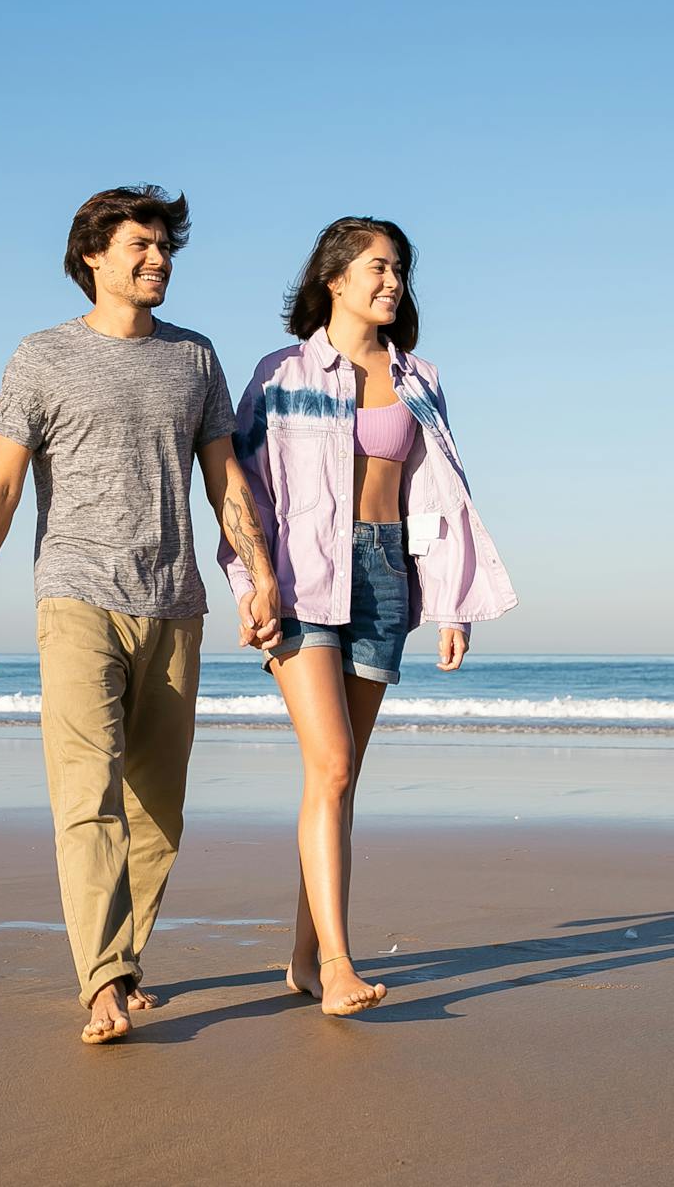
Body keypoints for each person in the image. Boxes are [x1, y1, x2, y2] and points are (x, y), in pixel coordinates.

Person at [0, 185, 281, 1045]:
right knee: (87, 795)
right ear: (93, 254)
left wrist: (260, 576)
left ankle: (123, 961)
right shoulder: (42, 358)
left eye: (165, 245)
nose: (158, 257)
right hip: (77, 598)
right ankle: (102, 981)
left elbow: (225, 483)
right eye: (140, 243)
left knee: (158, 808)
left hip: (175, 602)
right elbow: (3, 485)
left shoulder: (195, 359)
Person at [221, 216, 517, 1016]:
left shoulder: (418, 376)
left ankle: (304, 956)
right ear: (336, 279)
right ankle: (341, 966)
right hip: (300, 579)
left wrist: (452, 602)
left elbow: (441, 495)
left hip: (386, 572)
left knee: (340, 782)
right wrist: (253, 581)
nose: (393, 283)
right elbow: (239, 486)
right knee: (334, 765)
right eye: (378, 268)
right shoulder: (280, 374)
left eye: (400, 271)